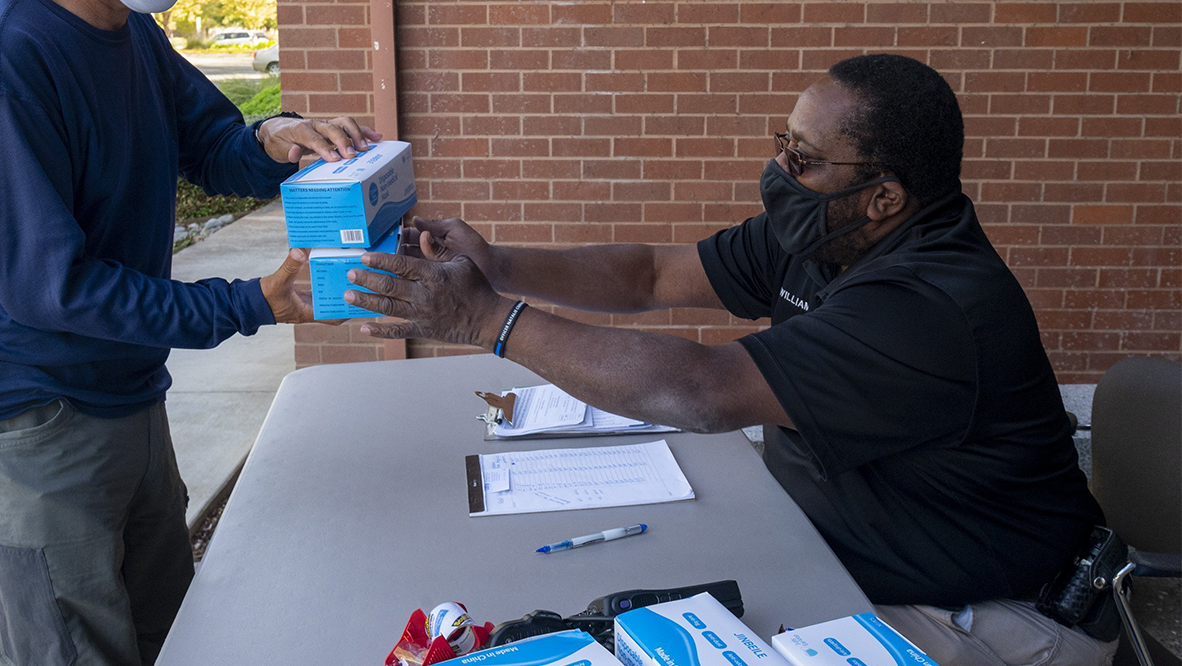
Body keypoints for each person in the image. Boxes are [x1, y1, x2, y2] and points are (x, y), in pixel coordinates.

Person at [348, 54, 1114, 666]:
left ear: (883, 197)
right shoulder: (827, 230)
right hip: (833, 553)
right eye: (782, 142)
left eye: (805, 158)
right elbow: (650, 274)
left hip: (993, 616)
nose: (781, 169)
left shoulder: (930, 305)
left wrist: (487, 320)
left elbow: (703, 391)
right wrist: (500, 267)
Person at [0, 0, 377, 666]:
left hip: (124, 394)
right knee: (78, 652)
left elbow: (209, 144)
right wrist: (254, 302)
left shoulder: (128, 26)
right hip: (26, 426)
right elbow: (55, 288)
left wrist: (283, 143)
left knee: (172, 636)